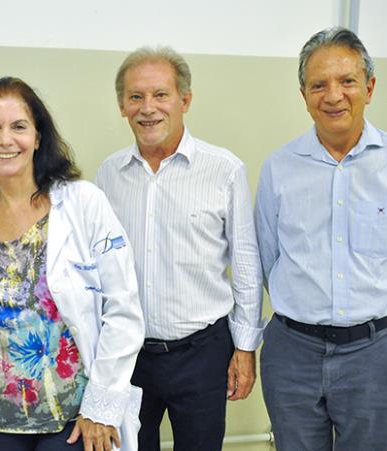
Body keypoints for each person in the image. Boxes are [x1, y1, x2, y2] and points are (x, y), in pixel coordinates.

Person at [255, 27, 387, 451]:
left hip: (376, 354)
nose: (333, 95)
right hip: (292, 352)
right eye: (319, 85)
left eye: (347, 81)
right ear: (304, 95)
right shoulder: (279, 168)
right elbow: (269, 257)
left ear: (370, 88)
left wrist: (372, 319)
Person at [0, 76, 144, 451]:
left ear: (38, 137)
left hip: (75, 421)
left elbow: (123, 311)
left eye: (19, 127)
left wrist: (101, 408)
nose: (5, 140)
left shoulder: (83, 203)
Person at [96, 46, 263, 451]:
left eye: (160, 95)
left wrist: (245, 347)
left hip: (202, 353)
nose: (148, 108)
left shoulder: (223, 170)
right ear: (122, 106)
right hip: (129, 354)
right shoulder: (109, 174)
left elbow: (245, 263)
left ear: (184, 100)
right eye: (136, 97)